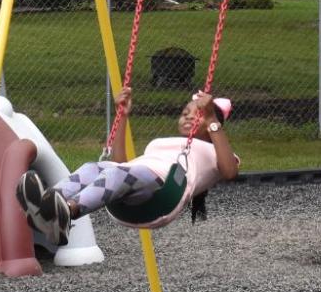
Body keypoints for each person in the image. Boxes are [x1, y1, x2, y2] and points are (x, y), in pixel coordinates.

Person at [18, 88, 239, 243]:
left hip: (162, 191)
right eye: (184, 113)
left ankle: (66, 212)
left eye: (198, 114)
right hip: (133, 181)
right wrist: (122, 116)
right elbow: (120, 164)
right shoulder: (160, 144)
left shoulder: (214, 151)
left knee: (115, 173)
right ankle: (45, 206)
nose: (188, 117)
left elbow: (230, 171)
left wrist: (212, 121)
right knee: (92, 168)